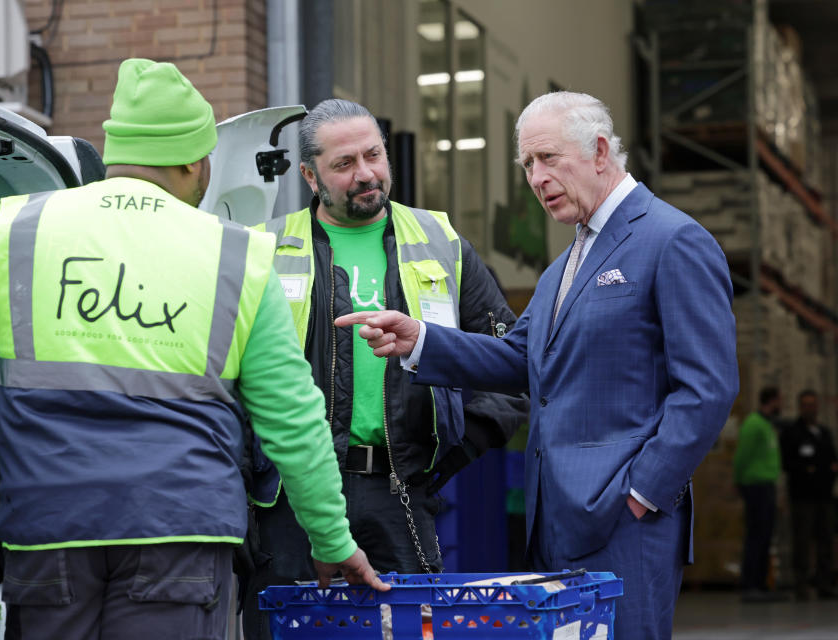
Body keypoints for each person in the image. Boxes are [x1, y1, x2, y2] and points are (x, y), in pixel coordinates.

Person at [0, 59, 386, 640]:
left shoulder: (13, 234)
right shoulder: (237, 257)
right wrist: (331, 540)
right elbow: (294, 421)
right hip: (182, 539)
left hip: (48, 533)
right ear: (192, 161)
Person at [337, 91, 738, 640]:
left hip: (624, 521)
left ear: (600, 152)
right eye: (527, 164)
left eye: (548, 158)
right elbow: (518, 358)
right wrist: (420, 340)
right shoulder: (564, 265)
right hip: (554, 521)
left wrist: (642, 495)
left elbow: (708, 390)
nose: (536, 176)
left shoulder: (673, 241)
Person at [241, 98, 524, 639]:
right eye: (344, 163)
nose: (365, 173)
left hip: (400, 492)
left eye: (373, 155)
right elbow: (230, 382)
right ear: (309, 174)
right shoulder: (265, 249)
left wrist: (447, 453)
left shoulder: (441, 243)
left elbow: (508, 366)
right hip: (290, 500)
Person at [779, 389, 838, 601]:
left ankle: (824, 582)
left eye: (813, 404)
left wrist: (825, 471)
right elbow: (788, 463)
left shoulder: (824, 432)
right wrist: (809, 470)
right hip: (802, 496)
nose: (810, 408)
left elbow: (831, 459)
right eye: (806, 404)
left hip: (824, 495)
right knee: (802, 541)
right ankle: (801, 585)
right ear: (800, 407)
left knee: (826, 540)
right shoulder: (792, 433)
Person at [733, 386, 785, 602]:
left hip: (767, 485)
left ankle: (762, 584)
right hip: (755, 485)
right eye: (780, 400)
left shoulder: (767, 425)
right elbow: (742, 455)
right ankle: (749, 584)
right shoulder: (754, 424)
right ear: (772, 400)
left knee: (765, 536)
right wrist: (739, 481)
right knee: (756, 536)